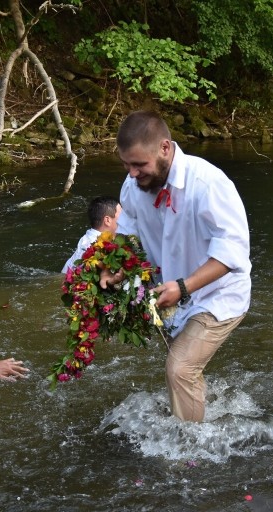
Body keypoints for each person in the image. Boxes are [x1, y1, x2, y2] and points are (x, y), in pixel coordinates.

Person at [102, 110, 252, 422]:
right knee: (184, 373)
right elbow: (128, 231)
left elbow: (233, 251)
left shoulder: (207, 183)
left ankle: (190, 454)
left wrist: (183, 286)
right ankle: (203, 414)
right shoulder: (134, 185)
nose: (131, 173)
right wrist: (119, 266)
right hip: (168, 295)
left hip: (217, 295)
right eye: (126, 164)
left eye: (139, 164)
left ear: (165, 148)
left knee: (180, 368)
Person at [61, 196, 122, 273]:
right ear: (107, 220)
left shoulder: (87, 239)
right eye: (122, 215)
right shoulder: (95, 249)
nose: (125, 219)